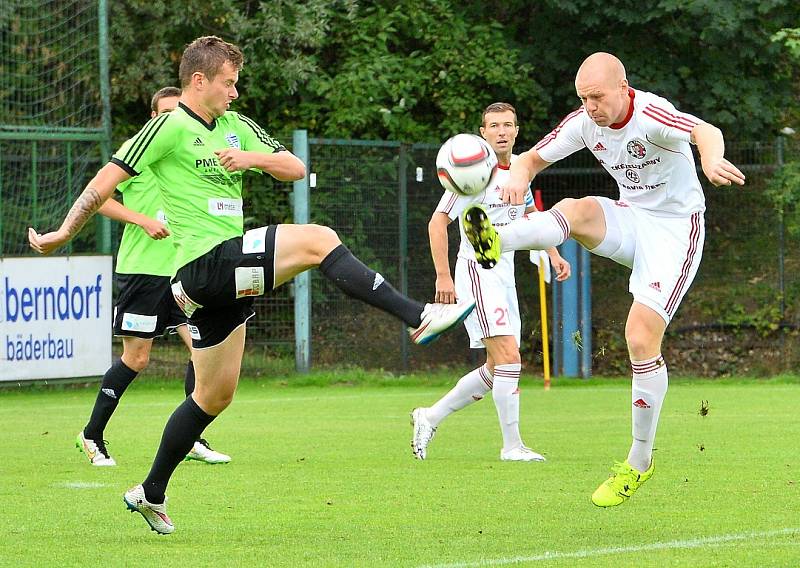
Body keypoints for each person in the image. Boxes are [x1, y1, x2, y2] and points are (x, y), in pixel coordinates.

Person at [28, 35, 474, 534]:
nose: (234, 93)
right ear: (199, 81)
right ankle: (418, 316)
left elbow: (296, 168)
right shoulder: (167, 127)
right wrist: (63, 234)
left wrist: (252, 159)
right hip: (203, 264)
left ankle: (150, 492)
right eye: (228, 83)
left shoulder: (238, 126)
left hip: (222, 275)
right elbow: (100, 186)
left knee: (213, 396)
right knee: (319, 239)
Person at [461, 52, 745, 507]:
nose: (591, 106)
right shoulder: (583, 122)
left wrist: (711, 159)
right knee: (577, 209)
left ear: (623, 86)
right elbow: (530, 159)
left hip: (675, 229)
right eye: (583, 98)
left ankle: (638, 461)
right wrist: (517, 176)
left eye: (597, 96)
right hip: (632, 218)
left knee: (638, 337)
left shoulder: (650, 112)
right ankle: (495, 239)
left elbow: (704, 131)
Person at [76, 87, 230, 467]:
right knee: (137, 358)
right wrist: (142, 219)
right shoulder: (137, 157)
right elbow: (99, 198)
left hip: (184, 271)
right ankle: (92, 435)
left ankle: (191, 437)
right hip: (143, 272)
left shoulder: (191, 155)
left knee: (201, 352)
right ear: (152, 118)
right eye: (163, 113)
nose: (170, 119)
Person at [411, 102, 570, 462]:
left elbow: (531, 217)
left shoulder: (520, 172)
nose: (501, 131)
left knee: (497, 367)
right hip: (476, 275)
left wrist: (554, 254)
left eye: (508, 125)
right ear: (482, 132)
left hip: (505, 276)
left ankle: (429, 415)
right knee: (510, 358)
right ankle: (512, 447)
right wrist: (443, 277)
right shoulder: (470, 171)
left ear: (516, 131)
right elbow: (437, 223)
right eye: (494, 125)